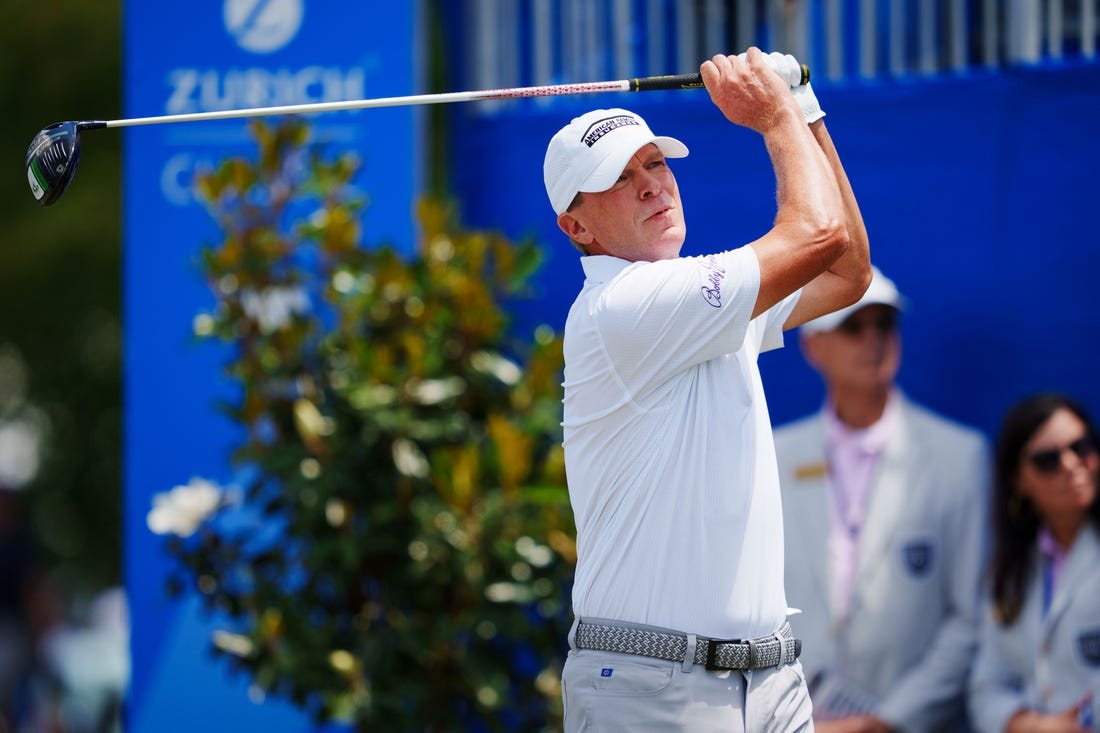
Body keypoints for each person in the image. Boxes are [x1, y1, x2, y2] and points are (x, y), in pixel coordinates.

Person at [544, 48, 871, 731]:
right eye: (618, 178)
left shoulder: (697, 298)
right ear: (575, 228)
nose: (651, 185)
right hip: (650, 688)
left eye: (655, 163)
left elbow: (847, 271)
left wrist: (805, 108)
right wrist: (777, 112)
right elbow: (816, 233)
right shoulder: (624, 306)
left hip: (772, 679)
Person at [773, 267, 991, 732]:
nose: (873, 339)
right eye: (854, 326)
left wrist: (887, 722)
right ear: (813, 347)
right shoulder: (770, 456)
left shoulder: (961, 456)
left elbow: (972, 618)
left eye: (884, 325)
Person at [968, 393, 1100, 733]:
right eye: (1047, 460)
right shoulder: (1009, 570)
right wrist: (1031, 725)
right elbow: (986, 687)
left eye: (1081, 446)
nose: (1071, 464)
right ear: (1018, 481)